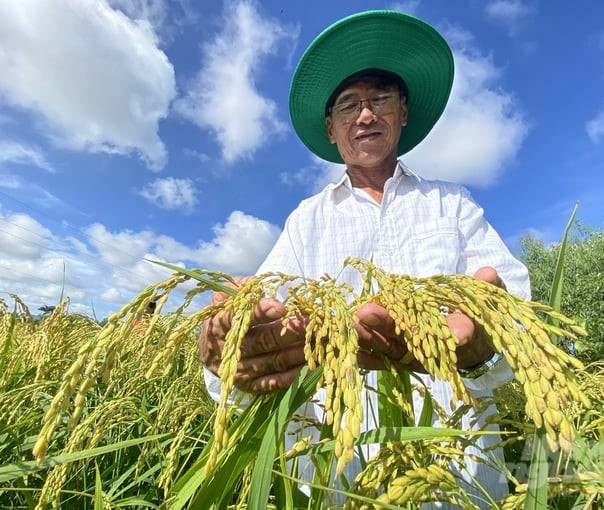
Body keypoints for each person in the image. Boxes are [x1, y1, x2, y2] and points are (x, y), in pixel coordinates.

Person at [199, 9, 530, 507]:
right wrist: (231, 349)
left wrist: (483, 348)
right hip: (339, 477)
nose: (366, 114)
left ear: (403, 113)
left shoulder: (453, 203)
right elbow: (261, 340)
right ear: (331, 129)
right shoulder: (305, 222)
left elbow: (518, 317)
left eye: (379, 99)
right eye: (349, 105)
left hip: (459, 475)